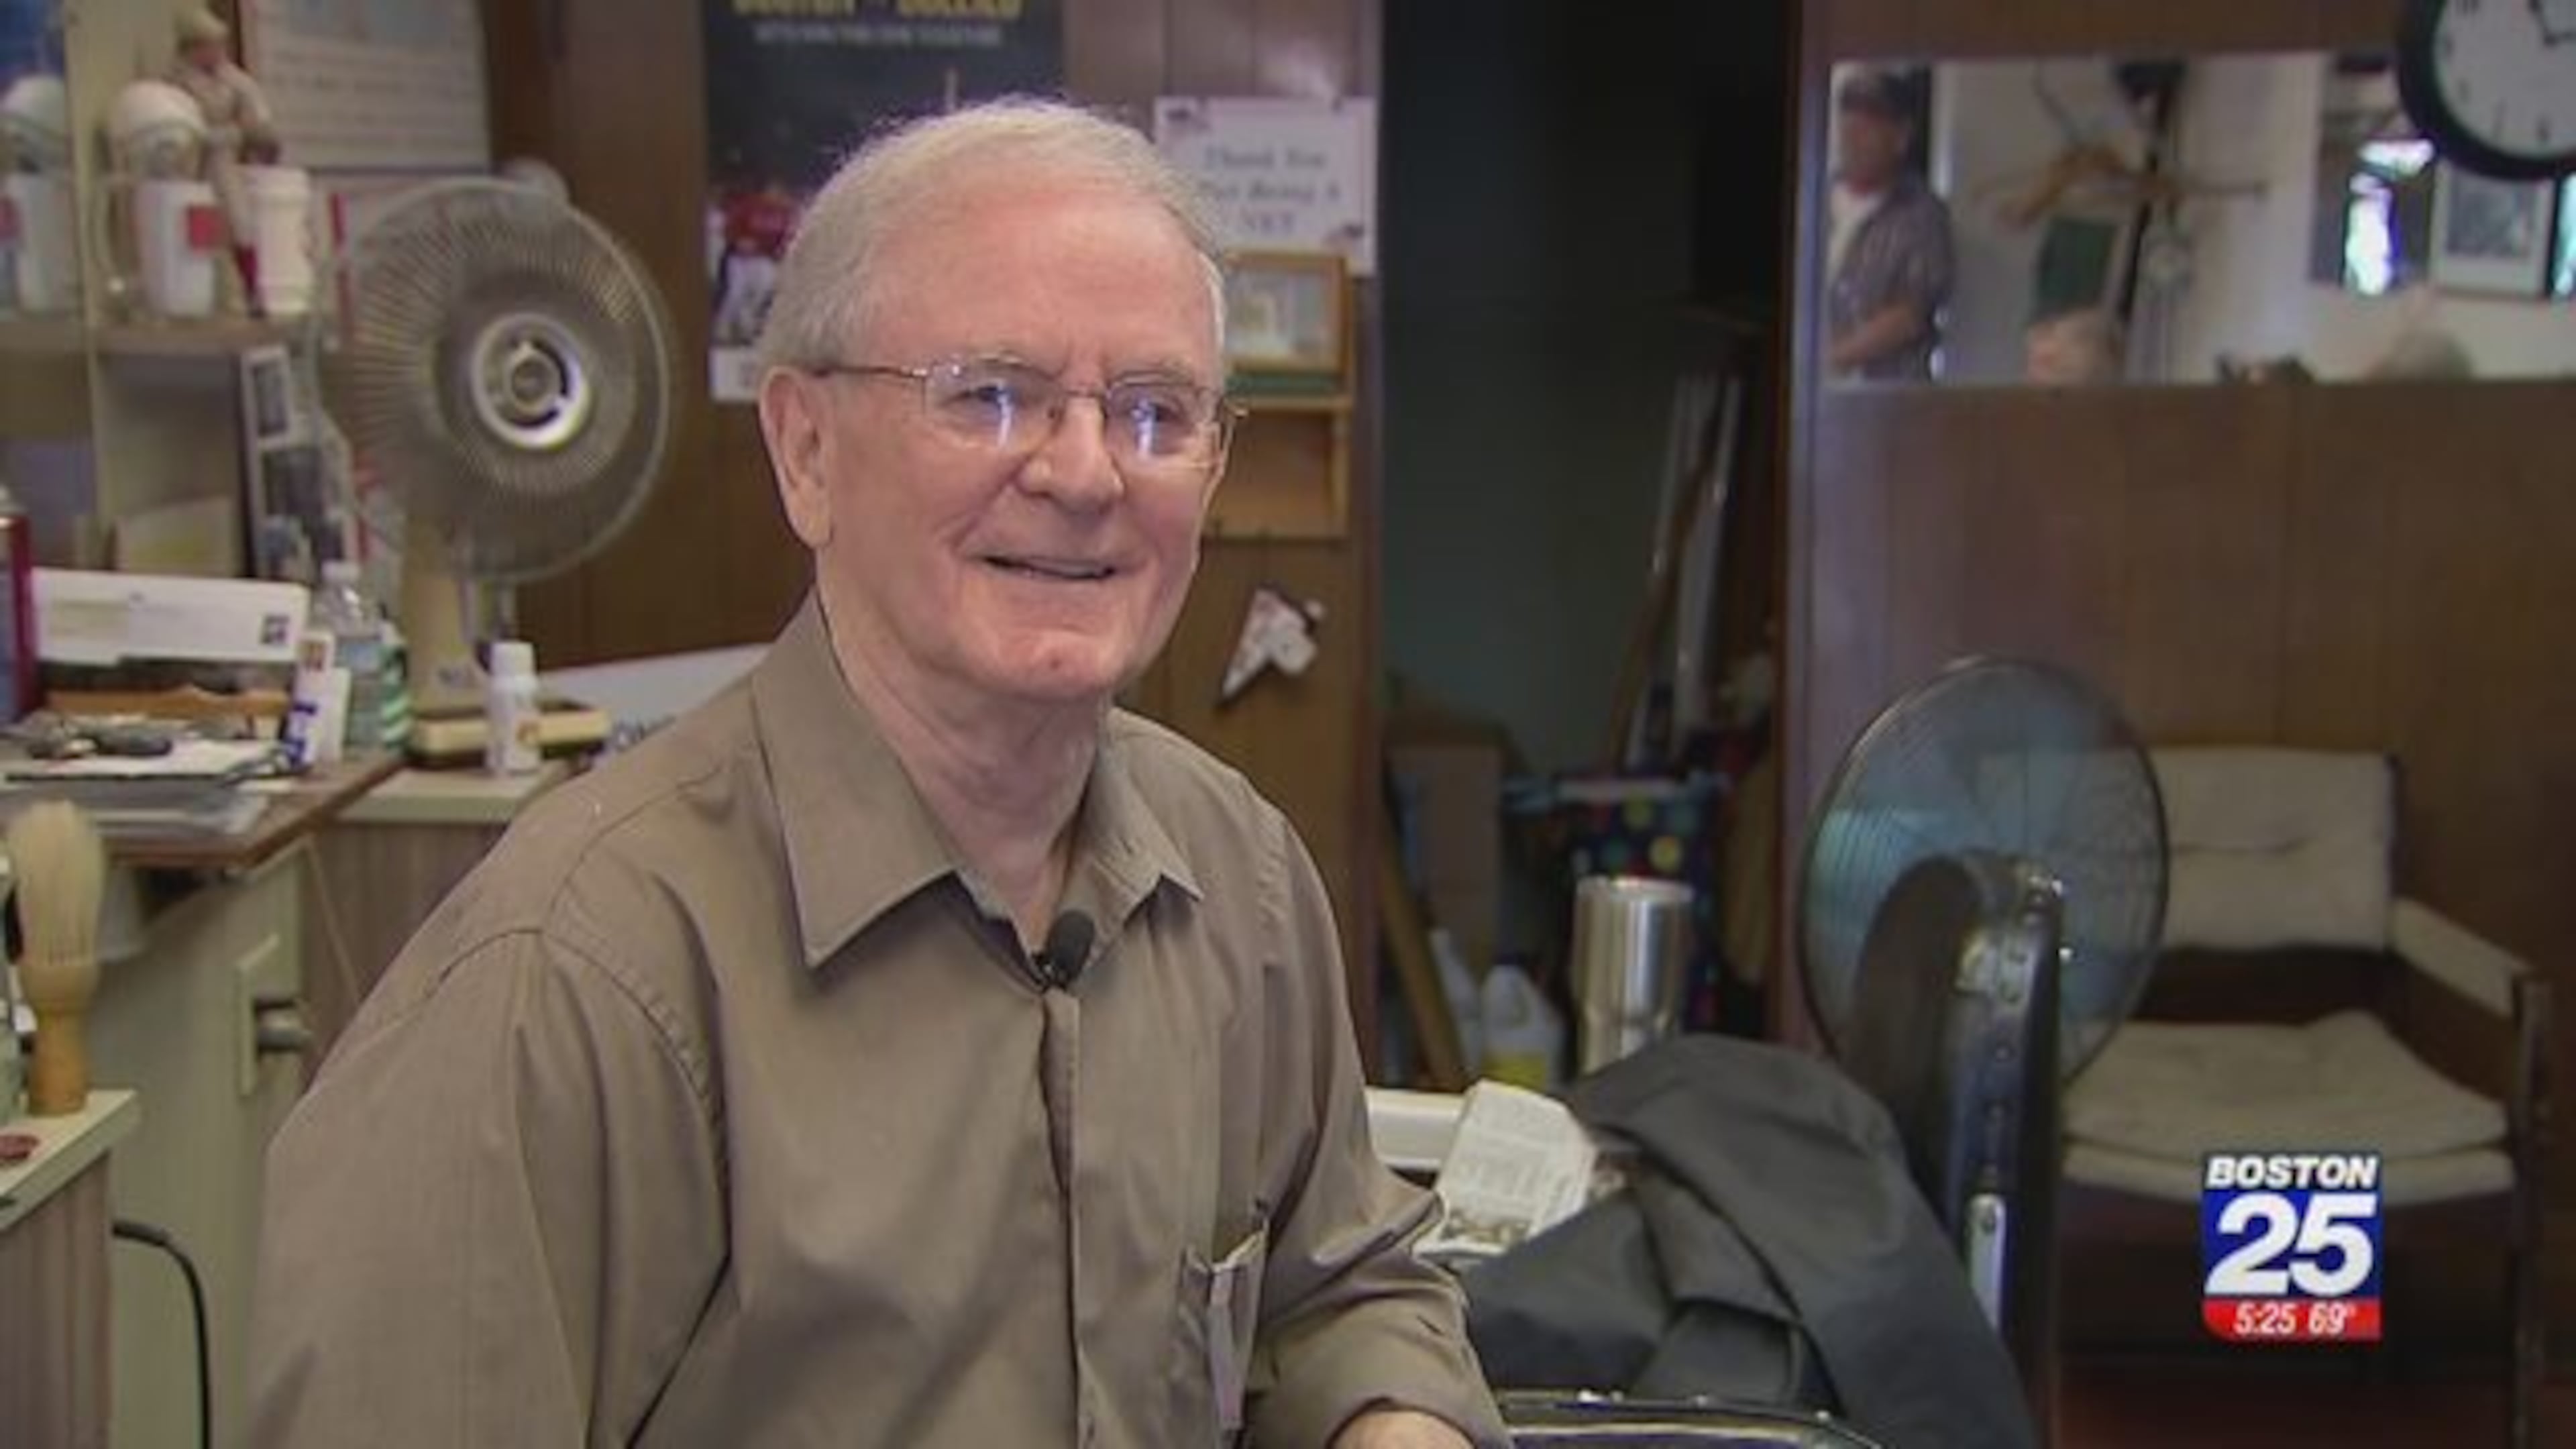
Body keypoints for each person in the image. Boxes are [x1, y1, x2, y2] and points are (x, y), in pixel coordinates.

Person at [250, 101, 1505, 1448]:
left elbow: (1342, 1288)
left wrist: (1390, 1418)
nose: (1085, 473)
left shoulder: (1238, 878)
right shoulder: (563, 983)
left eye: (1153, 412)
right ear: (805, 451)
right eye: (992, 395)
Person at [1824, 69, 1953, 382]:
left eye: (1868, 125)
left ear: (1901, 136)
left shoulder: (1923, 214)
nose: (1852, 136)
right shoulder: (1812, 198)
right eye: (1848, 121)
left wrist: (1826, 360)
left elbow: (1910, 315)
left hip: (1886, 399)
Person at [164, 5, 279, 309]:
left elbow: (258, 119)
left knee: (242, 226)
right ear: (194, 47)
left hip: (223, 164)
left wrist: (255, 133)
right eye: (212, 45)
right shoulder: (175, 82)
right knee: (197, 234)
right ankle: (205, 297)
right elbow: (180, 126)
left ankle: (252, 292)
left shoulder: (232, 80)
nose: (219, 52)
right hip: (190, 167)